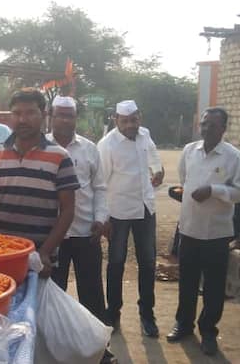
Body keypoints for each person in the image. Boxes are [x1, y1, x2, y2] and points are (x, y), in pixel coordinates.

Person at [166, 107, 240, 356]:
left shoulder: (233, 157)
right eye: (203, 124)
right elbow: (184, 181)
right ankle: (183, 324)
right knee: (187, 282)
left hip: (216, 233)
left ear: (223, 129)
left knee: (213, 287)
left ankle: (208, 332)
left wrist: (214, 191)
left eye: (212, 125)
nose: (205, 129)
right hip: (190, 229)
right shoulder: (189, 151)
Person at [47, 96, 117, 364]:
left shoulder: (89, 149)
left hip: (87, 233)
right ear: (51, 116)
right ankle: (56, 350)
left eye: (70, 115)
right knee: (54, 298)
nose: (65, 120)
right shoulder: (41, 147)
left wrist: (101, 218)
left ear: (76, 117)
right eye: (60, 115)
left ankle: (100, 350)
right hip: (53, 236)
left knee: (92, 295)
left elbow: (99, 188)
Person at [0, 90, 80, 278]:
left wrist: (45, 252)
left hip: (42, 261)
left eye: (30, 113)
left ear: (43, 115)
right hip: (2, 255)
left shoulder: (60, 156)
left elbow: (68, 210)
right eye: (17, 113)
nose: (22, 120)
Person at [97, 100, 163, 337]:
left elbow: (154, 156)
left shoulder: (145, 135)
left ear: (140, 118)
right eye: (124, 121)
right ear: (116, 120)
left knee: (147, 263)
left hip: (146, 208)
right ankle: (113, 312)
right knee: (116, 263)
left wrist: (158, 170)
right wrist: (103, 217)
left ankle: (147, 314)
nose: (129, 125)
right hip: (119, 212)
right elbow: (100, 183)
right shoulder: (107, 145)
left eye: (133, 120)